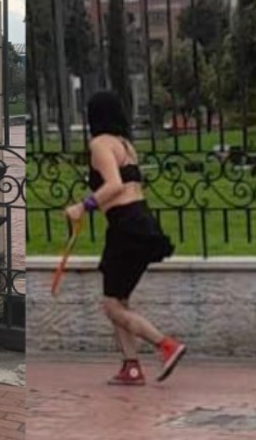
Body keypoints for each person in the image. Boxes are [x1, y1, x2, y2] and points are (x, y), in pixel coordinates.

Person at [65, 91, 186, 386]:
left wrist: (82, 206)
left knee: (111, 305)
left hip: (126, 228)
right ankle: (131, 367)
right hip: (141, 222)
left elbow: (114, 185)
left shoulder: (99, 144)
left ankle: (165, 345)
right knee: (118, 301)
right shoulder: (125, 145)